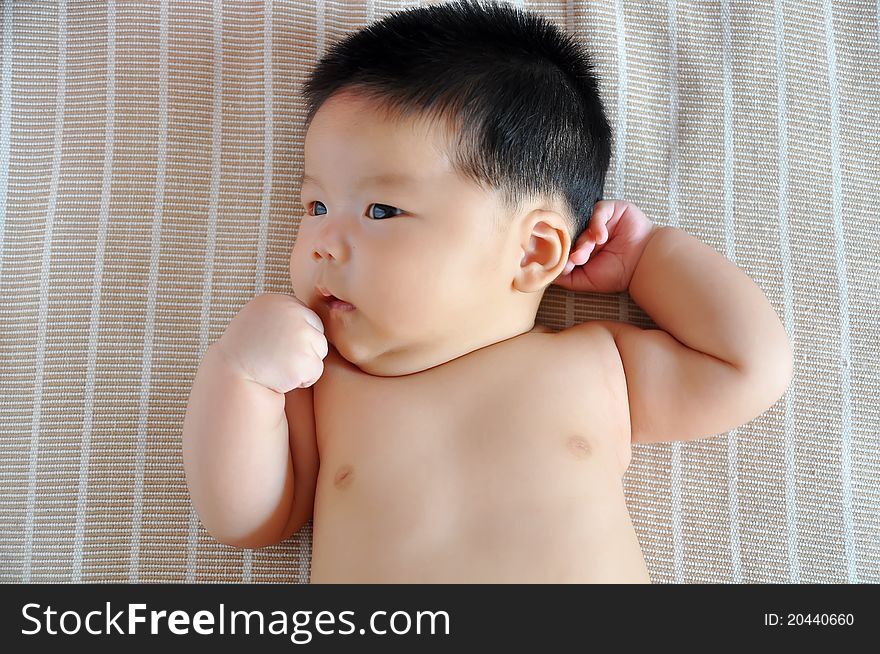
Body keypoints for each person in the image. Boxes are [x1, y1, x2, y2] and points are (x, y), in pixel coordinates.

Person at [182, 1, 792, 582]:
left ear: (533, 251)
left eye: (381, 209)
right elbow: (249, 519)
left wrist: (646, 259)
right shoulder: (325, 388)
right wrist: (241, 376)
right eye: (315, 204)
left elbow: (746, 367)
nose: (322, 242)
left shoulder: (593, 365)